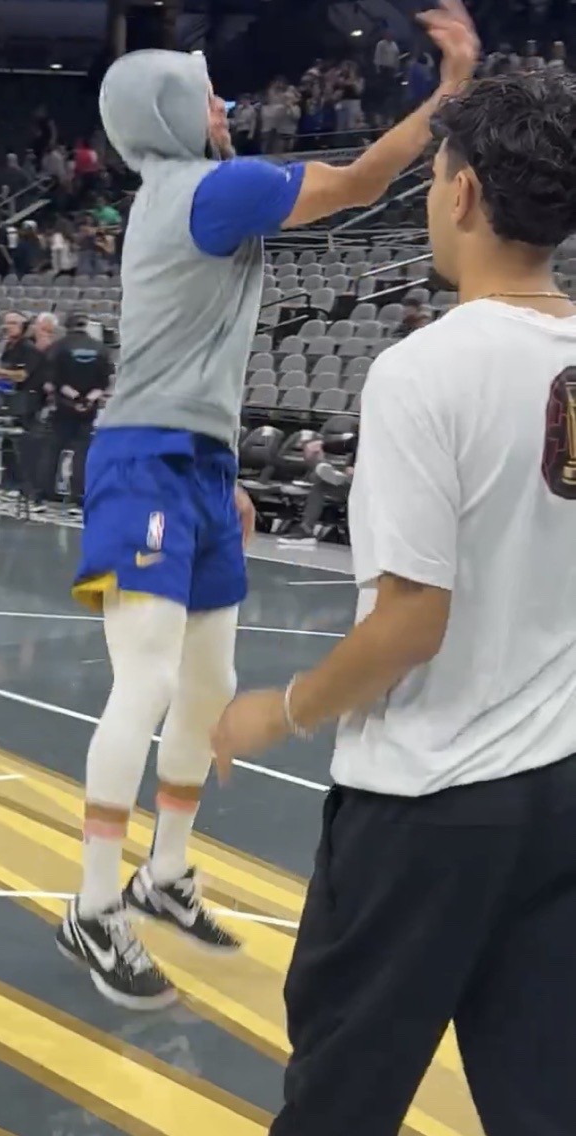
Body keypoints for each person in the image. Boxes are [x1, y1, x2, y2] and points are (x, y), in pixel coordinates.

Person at [57, 0, 480, 1009]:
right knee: (147, 680)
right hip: (144, 462)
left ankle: (163, 873)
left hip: (196, 464)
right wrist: (452, 89)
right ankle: (90, 904)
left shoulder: (189, 195)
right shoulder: (211, 189)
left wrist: (224, 471)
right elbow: (365, 180)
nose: (222, 105)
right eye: (205, 94)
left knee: (209, 681)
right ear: (170, 109)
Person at [213, 67, 576, 1136]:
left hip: (427, 801)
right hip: (560, 792)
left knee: (341, 1096)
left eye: (434, 179)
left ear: (461, 194)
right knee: (543, 1096)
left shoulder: (425, 371)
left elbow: (412, 621)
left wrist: (281, 708)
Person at [38, 312, 114, 513]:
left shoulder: (58, 347)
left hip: (63, 408)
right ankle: (78, 494)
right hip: (89, 409)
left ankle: (46, 493)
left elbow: (54, 381)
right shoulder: (101, 349)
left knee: (53, 450)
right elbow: (104, 383)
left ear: (66, 326)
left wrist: (75, 398)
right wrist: (87, 400)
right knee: (83, 453)